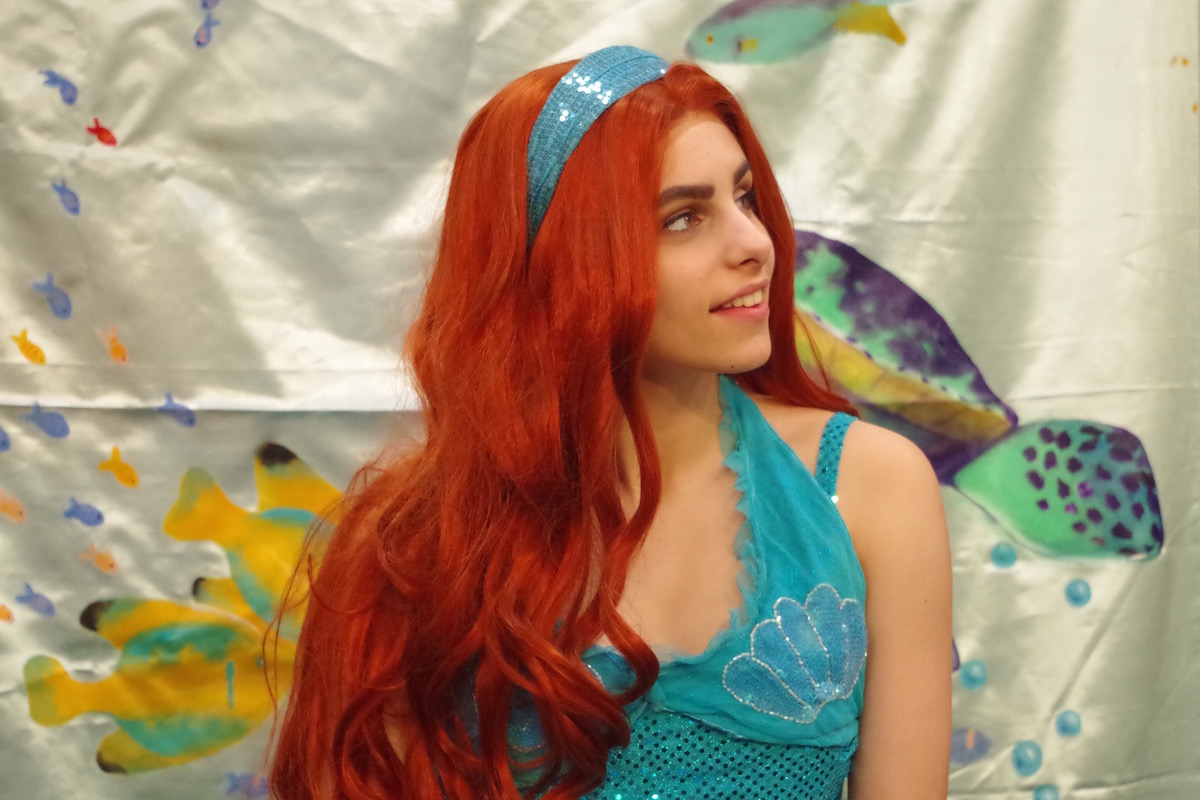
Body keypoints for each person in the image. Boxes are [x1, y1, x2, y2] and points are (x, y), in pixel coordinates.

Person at [269, 46, 952, 800]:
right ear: (560, 262)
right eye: (684, 218)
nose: (755, 244)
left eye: (746, 197)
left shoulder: (868, 486)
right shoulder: (412, 543)